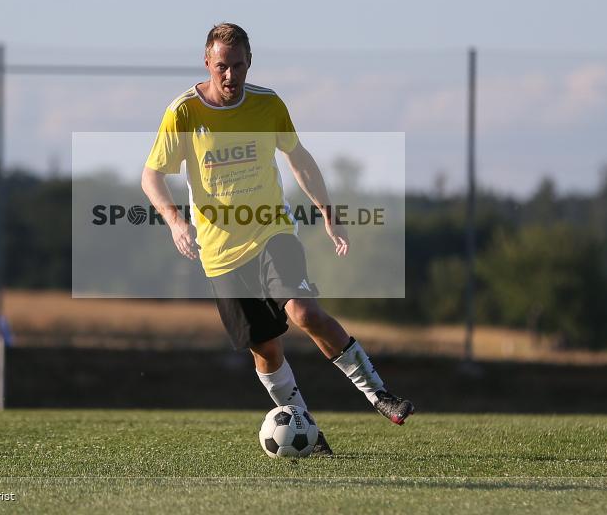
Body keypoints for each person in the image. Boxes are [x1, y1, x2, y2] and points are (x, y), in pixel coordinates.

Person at [141, 23, 414, 455]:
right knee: (265, 349)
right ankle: (309, 431)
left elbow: (298, 158)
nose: (229, 77)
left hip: (273, 231)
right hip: (219, 253)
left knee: (305, 312)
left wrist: (327, 210)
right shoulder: (184, 113)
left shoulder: (268, 105)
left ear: (249, 62)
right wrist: (176, 221)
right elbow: (151, 175)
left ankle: (378, 394)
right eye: (221, 68)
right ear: (206, 64)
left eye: (237, 66)